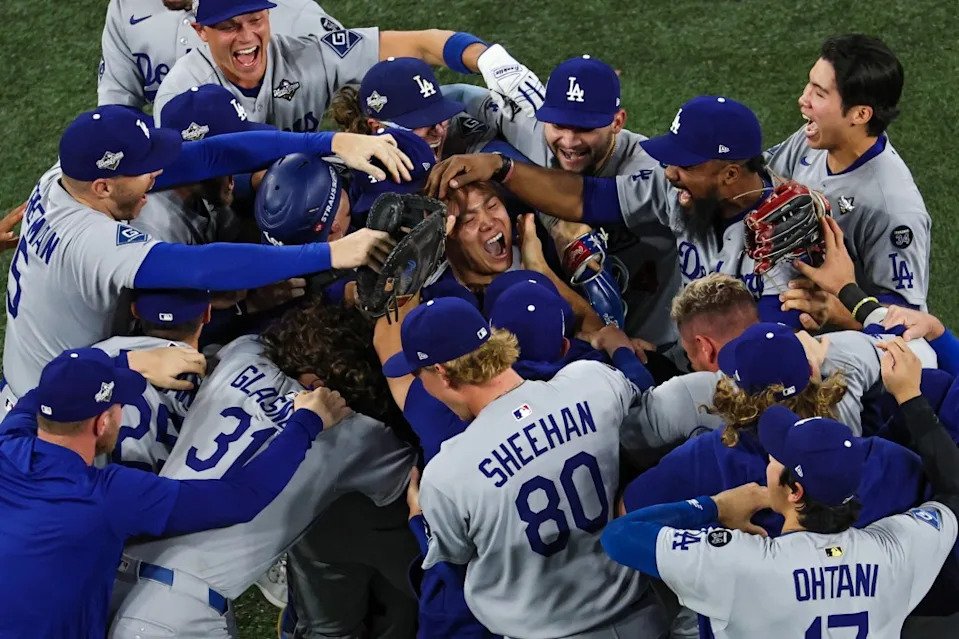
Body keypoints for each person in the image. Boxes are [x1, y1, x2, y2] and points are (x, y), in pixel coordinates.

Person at [1, 104, 409, 414]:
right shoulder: (89, 241)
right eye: (145, 171)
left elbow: (213, 155)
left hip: (50, 368)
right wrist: (333, 252)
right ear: (104, 187)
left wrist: (332, 142)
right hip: (58, 402)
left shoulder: (65, 177)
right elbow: (201, 267)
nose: (157, 174)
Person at [602, 337, 959, 638]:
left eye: (779, 458)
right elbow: (952, 494)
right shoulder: (898, 547)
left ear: (795, 493)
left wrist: (715, 508)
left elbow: (620, 534)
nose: (770, 463)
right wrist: (911, 400)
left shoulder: (740, 563)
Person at [110, 305, 416, 639]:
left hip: (113, 575)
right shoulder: (356, 432)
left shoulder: (244, 352)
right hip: (179, 612)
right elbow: (408, 482)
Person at [0, 348, 349, 638]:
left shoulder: (8, 439)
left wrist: (125, 364)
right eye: (118, 403)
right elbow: (242, 498)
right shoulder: (107, 495)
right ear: (102, 423)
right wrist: (306, 422)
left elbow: (35, 397)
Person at [385, 297, 667, 638]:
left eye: (418, 374)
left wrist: (419, 520)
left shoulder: (447, 473)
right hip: (645, 616)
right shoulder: (590, 382)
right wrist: (620, 348)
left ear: (442, 372)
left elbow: (452, 563)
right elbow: (643, 385)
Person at [427, 95, 834, 330]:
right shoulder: (682, 190)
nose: (670, 173)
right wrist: (503, 168)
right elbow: (588, 197)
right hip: (686, 354)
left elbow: (778, 338)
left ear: (729, 173)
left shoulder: (785, 237)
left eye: (686, 166)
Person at [447, 55, 681, 345]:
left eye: (584, 129)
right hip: (577, 325)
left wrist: (504, 167)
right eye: (559, 125)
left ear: (617, 122)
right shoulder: (531, 127)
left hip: (656, 338)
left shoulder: (652, 172)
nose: (569, 142)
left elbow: (594, 197)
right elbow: (459, 96)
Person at [153, 0, 545, 132]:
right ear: (201, 32)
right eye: (228, 27)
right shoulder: (181, 96)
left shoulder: (303, 55)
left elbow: (421, 44)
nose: (247, 37)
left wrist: (490, 59)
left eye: (256, 20)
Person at [766, 34, 930, 322]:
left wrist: (835, 311)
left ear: (860, 114)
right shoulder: (813, 140)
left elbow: (906, 318)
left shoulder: (892, 207)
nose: (803, 99)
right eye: (810, 85)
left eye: (819, 93)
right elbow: (763, 177)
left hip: (850, 354)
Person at [98, 0, 342, 108]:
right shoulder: (125, 9)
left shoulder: (286, 10)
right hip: (184, 178)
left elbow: (358, 72)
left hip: (281, 172)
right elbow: (116, 106)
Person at [93, 288, 211, 472]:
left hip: (93, 489)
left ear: (135, 311)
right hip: (166, 494)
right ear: (207, 314)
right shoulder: (213, 379)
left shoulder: (97, 357)